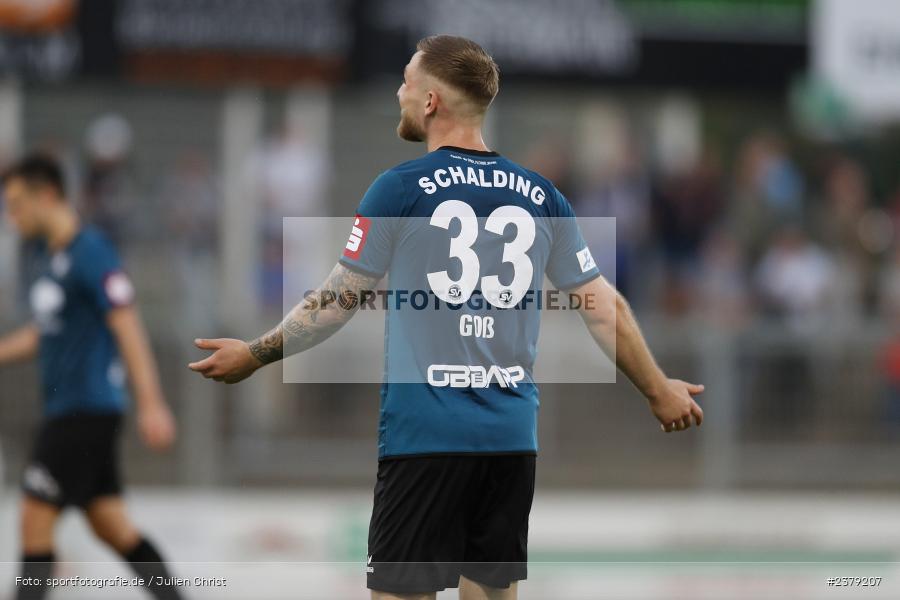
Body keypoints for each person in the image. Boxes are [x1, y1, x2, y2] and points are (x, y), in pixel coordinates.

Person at [189, 35, 704, 600]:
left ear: (431, 102)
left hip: (425, 439)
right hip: (509, 440)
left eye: (408, 81)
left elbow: (338, 299)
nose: (400, 92)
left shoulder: (400, 190)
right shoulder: (541, 195)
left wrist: (257, 353)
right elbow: (605, 306)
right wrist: (657, 389)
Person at [0, 154, 182, 600]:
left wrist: (152, 403)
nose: (12, 215)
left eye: (18, 203)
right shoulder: (50, 258)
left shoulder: (91, 250)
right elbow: (44, 334)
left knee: (33, 517)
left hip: (85, 411)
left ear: (47, 195)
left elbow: (127, 323)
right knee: (113, 528)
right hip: (73, 411)